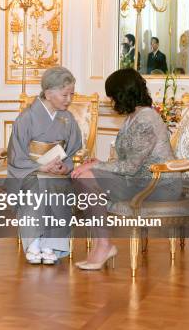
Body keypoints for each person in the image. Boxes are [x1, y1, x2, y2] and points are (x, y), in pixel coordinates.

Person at [71, 68, 182, 271]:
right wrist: (99, 163)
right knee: (84, 176)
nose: (112, 101)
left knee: (86, 175)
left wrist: (96, 166)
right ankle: (101, 244)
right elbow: (128, 161)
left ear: (123, 94)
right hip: (138, 180)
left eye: (113, 96)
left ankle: (103, 245)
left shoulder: (146, 118)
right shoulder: (133, 116)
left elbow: (130, 167)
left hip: (158, 185)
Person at [7, 66, 82, 265]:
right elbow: (16, 155)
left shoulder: (68, 119)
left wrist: (65, 167)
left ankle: (51, 245)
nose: (69, 99)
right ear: (48, 93)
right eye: (65, 94)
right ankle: (33, 243)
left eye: (72, 94)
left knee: (59, 187)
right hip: (30, 171)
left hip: (56, 173)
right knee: (36, 186)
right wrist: (40, 167)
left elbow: (72, 149)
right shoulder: (26, 118)